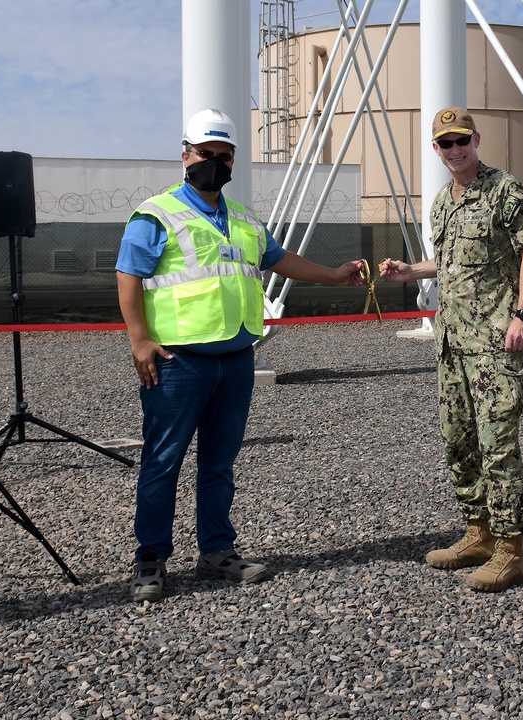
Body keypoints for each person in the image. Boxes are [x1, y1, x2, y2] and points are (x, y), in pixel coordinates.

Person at [116, 108, 363, 602]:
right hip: (177, 361)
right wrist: (139, 340)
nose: (215, 163)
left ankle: (217, 550)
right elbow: (129, 275)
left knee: (219, 461)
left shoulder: (245, 218)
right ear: (185, 155)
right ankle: (150, 558)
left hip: (235, 358)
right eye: (206, 154)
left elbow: (278, 258)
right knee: (163, 460)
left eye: (224, 156)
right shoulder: (156, 213)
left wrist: (334, 276)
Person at [379, 107, 523, 592]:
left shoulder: (503, 189)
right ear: (437, 148)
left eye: (462, 140)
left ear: (476, 139)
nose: (455, 149)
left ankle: (511, 550)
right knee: (459, 443)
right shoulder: (442, 202)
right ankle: (478, 533)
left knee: (498, 448)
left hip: (495, 342)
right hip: (451, 342)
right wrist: (411, 271)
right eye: (445, 143)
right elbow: (451, 263)